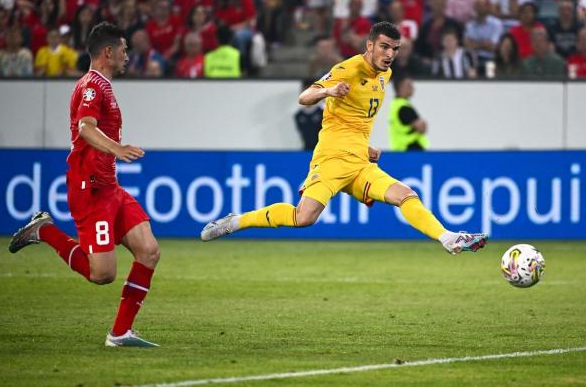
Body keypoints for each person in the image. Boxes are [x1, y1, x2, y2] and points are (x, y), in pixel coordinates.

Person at [200, 21, 489, 255]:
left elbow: (355, 118)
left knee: (405, 195)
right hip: (332, 158)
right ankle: (237, 221)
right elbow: (304, 97)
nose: (389, 54)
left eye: (395, 49)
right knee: (304, 218)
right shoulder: (348, 69)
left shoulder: (384, 75)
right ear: (370, 45)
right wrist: (328, 91)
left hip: (359, 160)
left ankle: (447, 237)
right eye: (384, 47)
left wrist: (365, 146)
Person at [9, 22, 161, 348]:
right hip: (89, 188)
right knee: (101, 274)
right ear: (108, 51)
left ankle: (119, 333)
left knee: (148, 251)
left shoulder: (104, 86)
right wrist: (118, 149)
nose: (126, 55)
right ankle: (44, 231)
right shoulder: (91, 86)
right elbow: (85, 127)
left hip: (109, 186)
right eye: (123, 49)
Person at [464, 0, 503, 73]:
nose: (479, 8)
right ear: (474, 8)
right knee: (470, 74)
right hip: (474, 60)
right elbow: (468, 45)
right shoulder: (469, 25)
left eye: (482, 6)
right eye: (477, 6)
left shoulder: (497, 24)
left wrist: (476, 44)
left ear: (487, 8)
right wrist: (485, 44)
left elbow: (493, 47)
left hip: (491, 59)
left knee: (490, 77)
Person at [388, 76, 429, 151]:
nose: (413, 88)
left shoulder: (395, 105)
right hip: (410, 150)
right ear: (401, 87)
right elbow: (421, 127)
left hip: (400, 150)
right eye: (409, 85)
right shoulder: (404, 108)